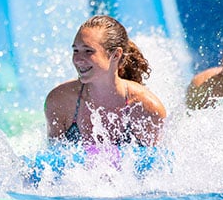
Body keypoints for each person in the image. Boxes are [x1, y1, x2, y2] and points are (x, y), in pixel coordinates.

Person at [44, 15, 167, 146]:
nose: (78, 59)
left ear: (116, 55)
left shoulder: (146, 108)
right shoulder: (60, 101)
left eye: (88, 51)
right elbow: (53, 161)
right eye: (76, 50)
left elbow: (156, 164)